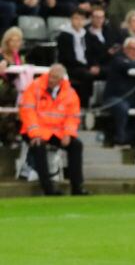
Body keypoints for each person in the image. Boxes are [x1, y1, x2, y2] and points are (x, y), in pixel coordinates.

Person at [19, 63, 88, 195]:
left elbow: (72, 117)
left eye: (55, 78)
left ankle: (77, 187)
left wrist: (68, 134)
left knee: (76, 145)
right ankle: (48, 188)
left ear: (62, 80)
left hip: (56, 132)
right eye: (50, 76)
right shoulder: (35, 87)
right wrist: (35, 134)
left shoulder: (70, 93)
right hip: (34, 131)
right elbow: (27, 112)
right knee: (39, 147)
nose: (51, 80)